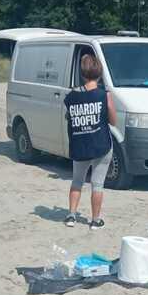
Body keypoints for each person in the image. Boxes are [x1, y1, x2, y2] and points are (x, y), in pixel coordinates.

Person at [63, 53, 117, 230]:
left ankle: (71, 216)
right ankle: (95, 220)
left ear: (82, 73)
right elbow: (113, 121)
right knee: (97, 183)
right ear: (99, 73)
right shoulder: (104, 95)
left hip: (79, 145)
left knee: (77, 181)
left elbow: (68, 118)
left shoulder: (70, 97)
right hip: (101, 144)